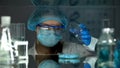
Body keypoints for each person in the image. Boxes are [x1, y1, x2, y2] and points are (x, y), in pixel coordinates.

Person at [28, 7, 98, 68]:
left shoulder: (74, 49)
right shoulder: (26, 56)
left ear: (62, 30)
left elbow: (105, 54)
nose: (52, 32)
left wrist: (91, 43)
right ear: (36, 28)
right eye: (46, 27)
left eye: (57, 28)